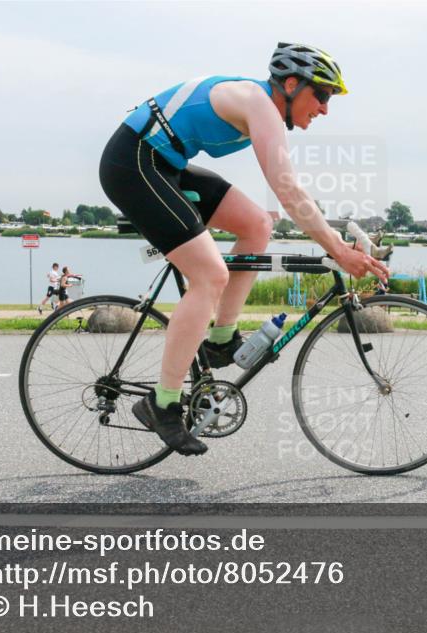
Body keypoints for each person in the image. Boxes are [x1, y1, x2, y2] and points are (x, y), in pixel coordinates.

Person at [99, 42, 389, 457]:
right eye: (321, 95)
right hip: (133, 163)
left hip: (166, 164)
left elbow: (283, 193)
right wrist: (338, 251)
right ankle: (161, 403)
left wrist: (334, 240)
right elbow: (289, 189)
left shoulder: (260, 107)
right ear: (290, 85)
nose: (325, 108)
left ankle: (220, 339)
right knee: (210, 275)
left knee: (256, 224)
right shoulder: (260, 104)